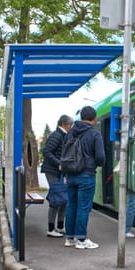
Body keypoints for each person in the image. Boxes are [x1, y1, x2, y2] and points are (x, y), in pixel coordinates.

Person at [62, 106, 105, 249]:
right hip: (86, 174)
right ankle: (81, 239)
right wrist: (97, 164)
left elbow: (64, 153)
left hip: (71, 174)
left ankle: (69, 238)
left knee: (71, 205)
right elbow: (100, 156)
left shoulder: (70, 132)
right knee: (84, 207)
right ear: (94, 118)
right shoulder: (94, 134)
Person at [41, 114, 73, 237]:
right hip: (52, 171)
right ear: (65, 125)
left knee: (63, 198)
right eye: (70, 125)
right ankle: (50, 228)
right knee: (56, 198)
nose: (71, 127)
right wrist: (58, 163)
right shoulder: (57, 136)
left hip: (58, 171)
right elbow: (46, 151)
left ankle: (60, 226)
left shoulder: (62, 135)